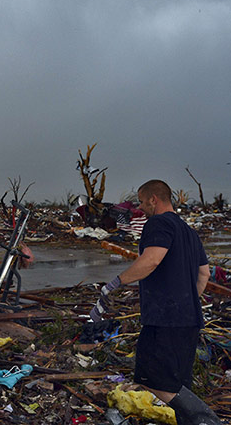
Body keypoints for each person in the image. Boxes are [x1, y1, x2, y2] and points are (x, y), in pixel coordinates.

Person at [90, 180, 220, 425]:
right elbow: (204, 273)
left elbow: (151, 260)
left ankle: (207, 421)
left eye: (141, 200)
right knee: (179, 383)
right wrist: (187, 301)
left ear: (153, 199)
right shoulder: (189, 231)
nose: (140, 206)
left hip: (165, 319)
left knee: (152, 378)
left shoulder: (158, 223)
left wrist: (116, 282)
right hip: (189, 319)